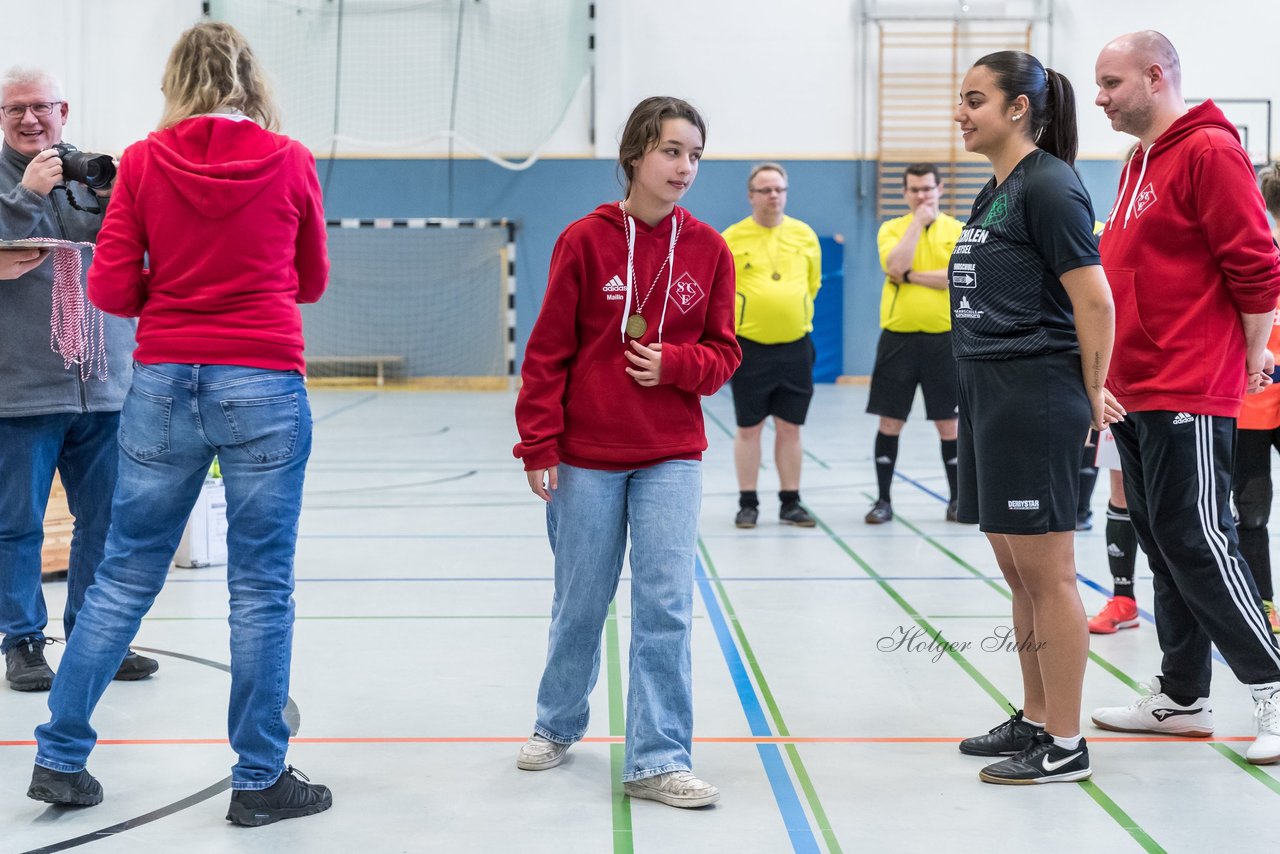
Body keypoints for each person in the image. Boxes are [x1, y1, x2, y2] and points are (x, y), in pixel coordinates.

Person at [28, 22, 332, 824]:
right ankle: (260, 779)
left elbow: (112, 292)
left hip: (163, 383)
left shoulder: (146, 163)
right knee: (261, 587)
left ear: (176, 83)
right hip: (263, 378)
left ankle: (59, 757)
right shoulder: (292, 160)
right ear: (250, 81)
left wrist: (175, 281)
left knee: (122, 576)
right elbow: (311, 281)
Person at [512, 96, 740, 808]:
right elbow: (547, 351)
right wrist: (538, 443)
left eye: (696, 155)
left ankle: (657, 757)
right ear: (637, 154)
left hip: (671, 452)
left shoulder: (709, 249)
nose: (686, 167)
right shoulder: (584, 240)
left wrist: (676, 365)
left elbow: (725, 353)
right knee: (580, 601)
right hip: (586, 454)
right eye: (673, 151)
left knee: (667, 604)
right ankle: (557, 722)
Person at [1089, 31, 1280, 765]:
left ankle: (1269, 686)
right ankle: (1182, 696)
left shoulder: (1208, 151)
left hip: (1189, 384)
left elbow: (1257, 266)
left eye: (1111, 84)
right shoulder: (1140, 159)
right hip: (1137, 386)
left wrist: (1253, 353)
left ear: (1155, 75)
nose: (1100, 98)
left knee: (1201, 539)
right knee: (1166, 546)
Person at [949, 50, 1116, 784]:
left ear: (1019, 108)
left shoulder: (1049, 186)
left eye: (975, 99)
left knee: (1049, 577)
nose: (962, 111)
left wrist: (1092, 394)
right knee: (1019, 576)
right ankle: (1037, 716)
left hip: (1035, 393)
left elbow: (1095, 301)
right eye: (961, 98)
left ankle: (1068, 741)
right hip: (989, 392)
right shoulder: (997, 189)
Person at [0, 66, 159, 691]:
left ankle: (100, 640)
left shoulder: (92, 175)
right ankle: (22, 641)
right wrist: (28, 195)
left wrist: (118, 193)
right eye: (15, 109)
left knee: (108, 523)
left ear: (63, 111)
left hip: (105, 384)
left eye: (41, 107)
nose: (30, 119)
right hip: (21, 390)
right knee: (17, 523)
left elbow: (139, 251)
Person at [721, 163, 821, 528]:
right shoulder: (731, 238)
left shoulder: (804, 235)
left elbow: (812, 285)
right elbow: (720, 293)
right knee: (749, 428)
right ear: (751, 196)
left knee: (790, 427)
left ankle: (790, 501)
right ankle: (748, 502)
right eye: (765, 190)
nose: (773, 196)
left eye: (779, 189)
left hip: (795, 346)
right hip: (749, 348)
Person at [866, 163, 964, 524]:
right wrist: (917, 226)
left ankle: (958, 500)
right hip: (898, 340)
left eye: (927, 188)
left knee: (948, 424)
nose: (922, 196)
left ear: (940, 188)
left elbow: (955, 277)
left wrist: (910, 277)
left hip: (945, 341)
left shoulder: (958, 230)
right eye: (914, 190)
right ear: (905, 194)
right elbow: (895, 265)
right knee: (890, 421)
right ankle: (883, 500)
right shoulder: (892, 229)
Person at [1231, 162, 1280, 635]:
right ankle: (1262, 605)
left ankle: (1262, 606)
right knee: (1251, 514)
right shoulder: (1256, 253)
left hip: (1252, 400)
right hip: (1252, 402)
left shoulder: (1249, 251)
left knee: (1252, 515)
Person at [1086, 431, 1145, 634]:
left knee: (1175, 493)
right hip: (1123, 405)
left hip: (1177, 406)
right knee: (1121, 491)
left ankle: (1182, 600)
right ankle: (1123, 598)